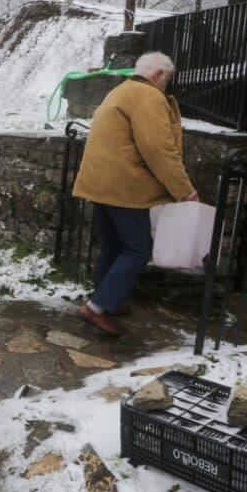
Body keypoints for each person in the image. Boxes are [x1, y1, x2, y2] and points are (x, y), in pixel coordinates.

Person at [71, 51, 197, 337]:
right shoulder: (148, 96)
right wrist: (184, 190)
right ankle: (97, 307)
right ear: (158, 76)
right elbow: (158, 149)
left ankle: (105, 301)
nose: (167, 86)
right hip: (124, 187)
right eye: (167, 80)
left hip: (100, 184)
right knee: (138, 249)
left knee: (114, 247)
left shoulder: (120, 91)